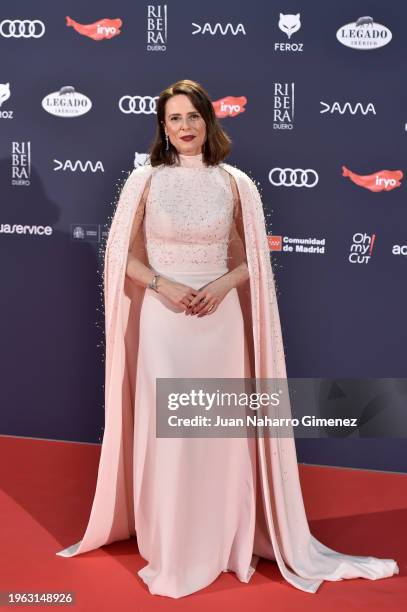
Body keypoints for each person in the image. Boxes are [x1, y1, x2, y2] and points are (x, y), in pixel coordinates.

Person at [56, 79, 399, 598]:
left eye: (193, 117)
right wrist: (164, 284)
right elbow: (119, 255)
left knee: (216, 428)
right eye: (174, 119)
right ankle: (171, 539)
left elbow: (252, 261)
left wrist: (218, 286)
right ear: (162, 128)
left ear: (208, 122)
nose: (185, 127)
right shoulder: (143, 181)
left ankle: (224, 535)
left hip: (219, 319)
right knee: (171, 430)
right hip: (163, 319)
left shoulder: (236, 182)